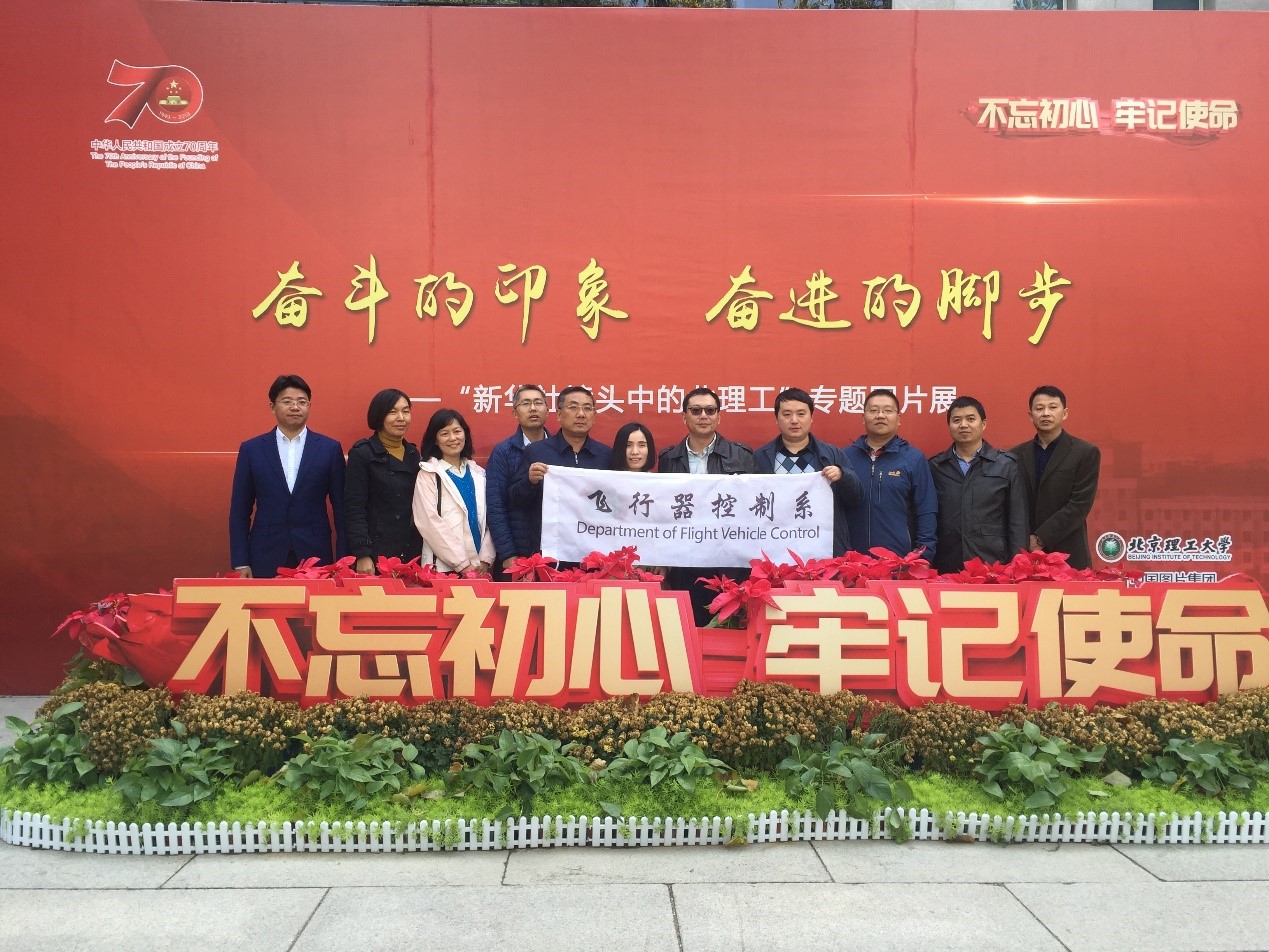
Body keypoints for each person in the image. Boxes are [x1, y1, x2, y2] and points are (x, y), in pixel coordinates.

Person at [229, 374, 346, 578]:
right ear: (272, 407)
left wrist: (343, 561)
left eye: (302, 402)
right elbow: (240, 509)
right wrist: (241, 561)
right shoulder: (252, 449)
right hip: (265, 552)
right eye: (287, 401)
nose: (295, 407)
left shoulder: (329, 449)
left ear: (309, 406)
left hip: (315, 551)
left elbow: (342, 510)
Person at [658, 387, 756, 626]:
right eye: (696, 410)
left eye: (710, 410)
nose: (703, 415)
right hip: (684, 561)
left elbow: (753, 507)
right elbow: (664, 511)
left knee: (726, 631)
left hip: (726, 562)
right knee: (685, 627)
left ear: (718, 417)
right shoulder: (669, 458)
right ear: (684, 417)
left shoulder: (742, 456)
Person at [754, 387, 863, 558]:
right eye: (787, 414)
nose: (794, 420)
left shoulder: (832, 455)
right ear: (777, 418)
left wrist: (843, 476)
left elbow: (856, 498)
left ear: (811, 417)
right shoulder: (760, 457)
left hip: (822, 547)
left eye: (801, 414)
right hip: (776, 547)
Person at [927, 396, 1029, 573]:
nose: (963, 425)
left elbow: (1018, 521)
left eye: (970, 419)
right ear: (949, 426)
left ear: (983, 424)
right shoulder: (936, 466)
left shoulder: (1006, 465)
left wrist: (1016, 565)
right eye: (956, 420)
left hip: (993, 563)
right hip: (948, 563)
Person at [509, 385, 612, 556]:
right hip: (549, 552)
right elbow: (515, 500)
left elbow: (616, 506)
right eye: (573, 407)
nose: (581, 414)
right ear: (558, 414)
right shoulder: (536, 452)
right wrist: (529, 481)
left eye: (587, 408)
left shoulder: (606, 456)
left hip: (593, 552)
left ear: (594, 416)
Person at [1009, 385, 1101, 570]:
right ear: (1030, 415)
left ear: (1064, 413)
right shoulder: (1015, 455)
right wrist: (1024, 540)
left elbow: (1079, 505)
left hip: (1069, 553)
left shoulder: (1085, 452)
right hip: (1025, 553)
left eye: (1052, 407)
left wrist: (1040, 538)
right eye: (1039, 408)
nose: (1046, 413)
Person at [842, 388, 938, 560]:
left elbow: (926, 510)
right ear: (863, 417)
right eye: (873, 410)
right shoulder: (844, 457)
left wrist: (923, 555)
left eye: (887, 410)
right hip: (852, 563)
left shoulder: (914, 459)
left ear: (898, 418)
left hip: (898, 562)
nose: (880, 415)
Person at [344, 388, 423, 573]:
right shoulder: (363, 453)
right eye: (393, 412)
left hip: (410, 550)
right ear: (379, 415)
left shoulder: (413, 453)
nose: (401, 418)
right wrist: (362, 554)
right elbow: (354, 508)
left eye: (406, 411)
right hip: (376, 552)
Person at [412, 409, 494, 573]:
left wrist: (486, 558)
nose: (452, 438)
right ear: (435, 440)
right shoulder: (428, 474)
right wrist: (462, 564)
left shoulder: (478, 473)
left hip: (479, 568)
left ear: (465, 434)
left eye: (457, 431)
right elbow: (429, 523)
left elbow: (491, 518)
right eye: (444, 433)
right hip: (443, 569)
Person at [486, 385, 552, 576]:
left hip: (552, 552)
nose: (533, 408)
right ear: (515, 413)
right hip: (517, 553)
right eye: (526, 403)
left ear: (547, 410)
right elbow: (496, 505)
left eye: (538, 403)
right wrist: (508, 553)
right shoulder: (503, 452)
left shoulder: (559, 449)